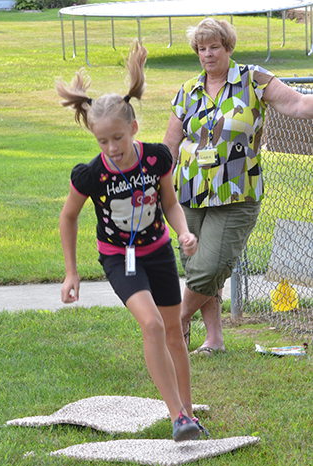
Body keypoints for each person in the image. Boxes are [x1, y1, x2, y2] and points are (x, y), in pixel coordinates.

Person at [57, 40, 208, 441]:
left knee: (174, 331)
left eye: (117, 139)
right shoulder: (91, 174)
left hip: (157, 251)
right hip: (118, 258)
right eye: (102, 141)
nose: (111, 148)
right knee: (153, 325)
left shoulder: (157, 158)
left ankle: (188, 414)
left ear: (134, 128)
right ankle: (177, 416)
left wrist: (184, 231)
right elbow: (68, 216)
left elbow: (171, 204)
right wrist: (71, 272)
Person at [163, 18, 313, 356]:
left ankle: (175, 323)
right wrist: (155, 188)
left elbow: (297, 104)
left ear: (228, 47)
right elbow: (170, 147)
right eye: (201, 49)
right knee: (195, 266)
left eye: (214, 46)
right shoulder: (188, 90)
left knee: (210, 266)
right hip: (189, 192)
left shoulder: (253, 79)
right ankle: (213, 339)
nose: (208, 54)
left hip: (237, 193)